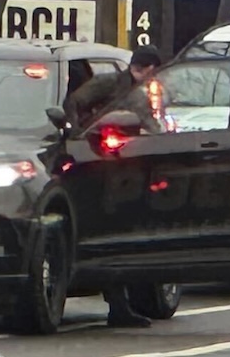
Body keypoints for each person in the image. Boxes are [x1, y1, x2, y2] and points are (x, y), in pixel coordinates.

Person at [62, 44, 164, 328]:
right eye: (154, 70)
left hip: (130, 166)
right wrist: (79, 135)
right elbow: (74, 103)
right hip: (100, 164)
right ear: (143, 67)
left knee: (125, 235)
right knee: (108, 231)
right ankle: (116, 305)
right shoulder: (109, 83)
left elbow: (149, 124)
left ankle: (123, 305)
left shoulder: (146, 93)